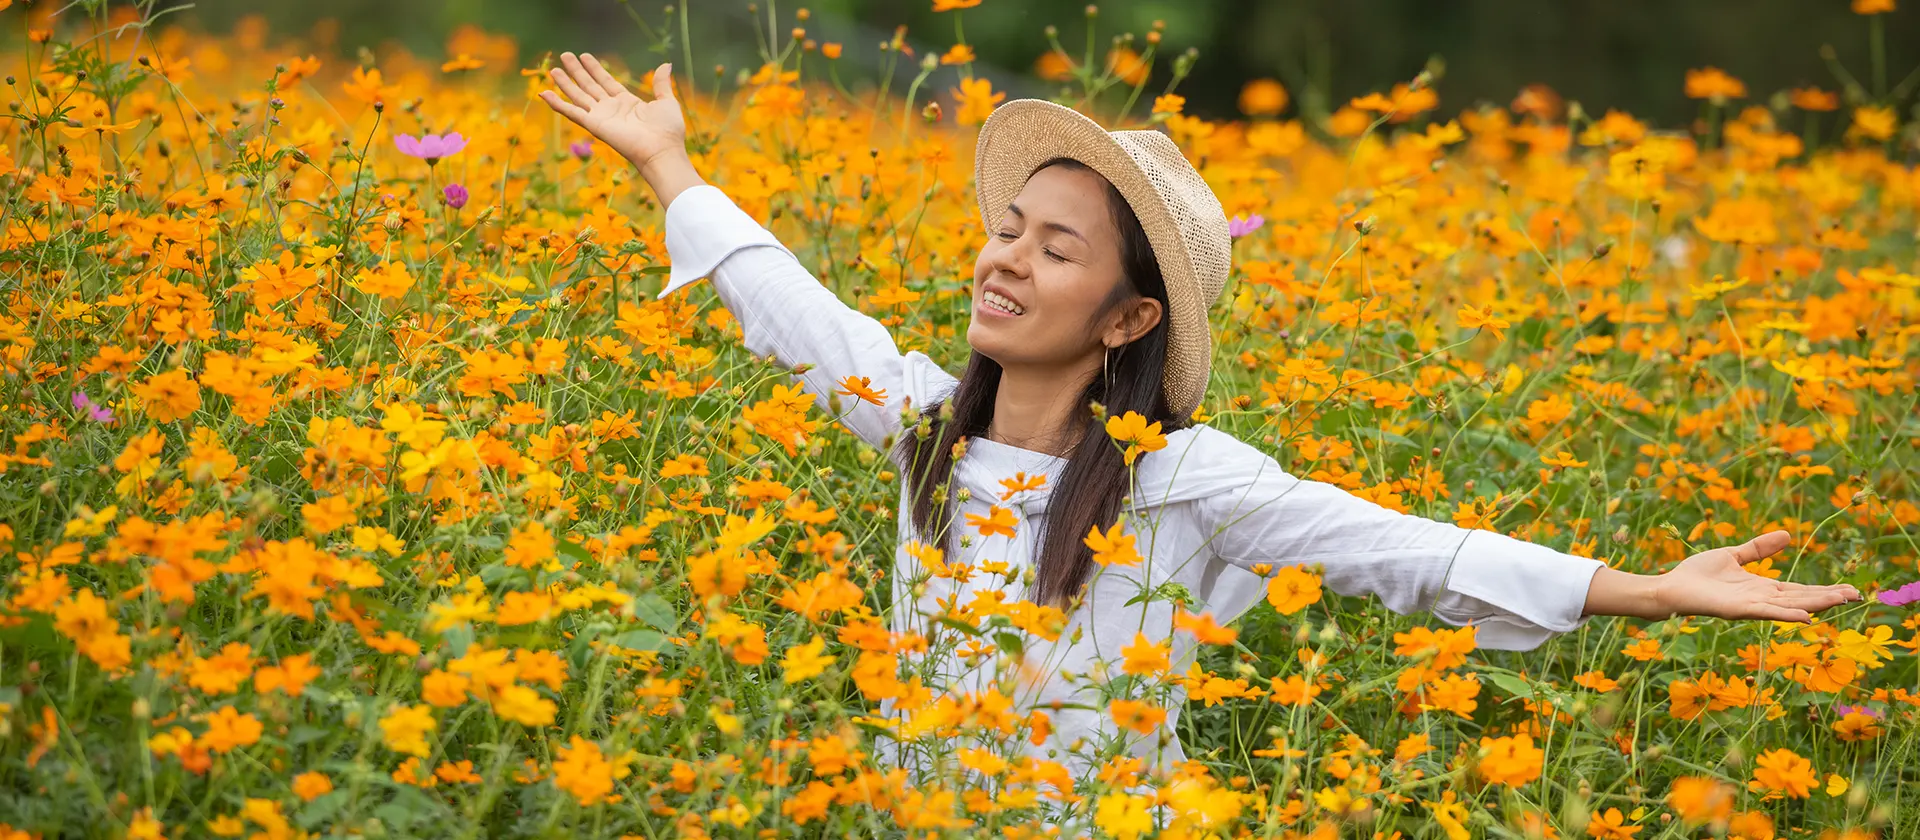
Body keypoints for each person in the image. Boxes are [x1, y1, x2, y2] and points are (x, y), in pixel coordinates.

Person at [538, 55, 1861, 786]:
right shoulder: (924, 421)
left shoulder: (1184, 479)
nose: (1003, 260)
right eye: (1005, 232)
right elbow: (792, 307)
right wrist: (668, 163)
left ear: (1126, 319)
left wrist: (1657, 594)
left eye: (1054, 249)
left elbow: (1403, 549)